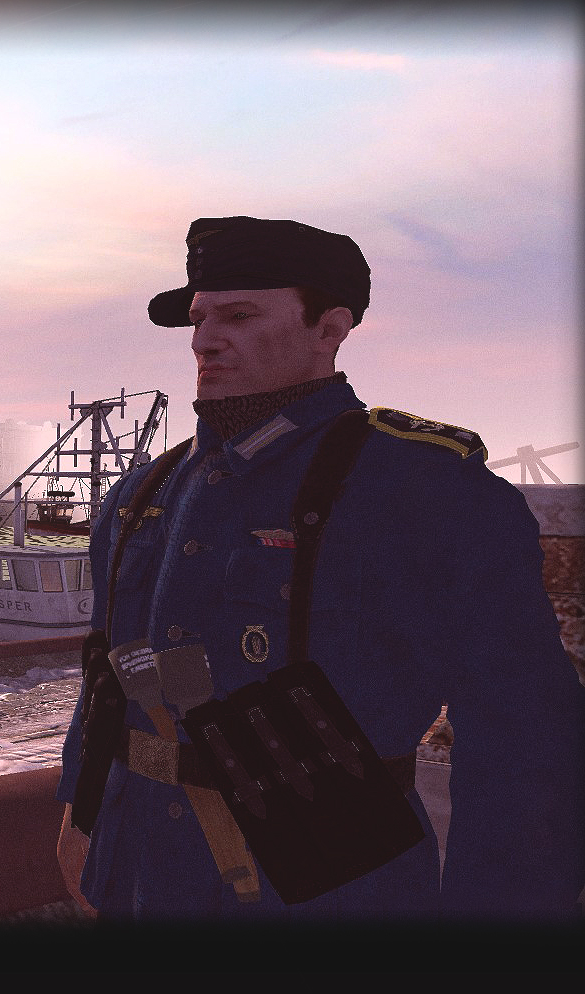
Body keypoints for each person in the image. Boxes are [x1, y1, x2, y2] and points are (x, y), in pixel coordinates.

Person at [55, 215, 585, 919]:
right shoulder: (144, 491)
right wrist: (79, 819)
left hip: (333, 891)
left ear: (329, 329)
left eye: (240, 315)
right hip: (143, 875)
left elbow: (523, 735)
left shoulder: (424, 488)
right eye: (200, 317)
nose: (206, 339)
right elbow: (108, 676)